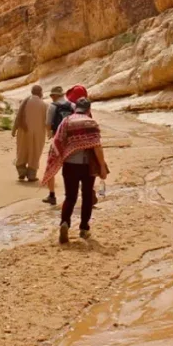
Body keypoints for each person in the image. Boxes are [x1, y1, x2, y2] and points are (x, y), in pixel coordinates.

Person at [43, 97, 109, 243]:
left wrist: (57, 160)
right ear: (89, 109)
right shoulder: (91, 122)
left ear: (75, 108)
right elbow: (97, 146)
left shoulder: (66, 121)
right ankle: (84, 229)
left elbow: (58, 141)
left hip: (70, 165)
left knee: (70, 197)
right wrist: (102, 166)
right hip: (87, 166)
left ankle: (64, 223)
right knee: (86, 197)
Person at [43, 86, 74, 205]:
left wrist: (49, 134)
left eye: (51, 96)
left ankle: (52, 195)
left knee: (51, 166)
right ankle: (69, 195)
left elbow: (48, 124)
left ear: (54, 96)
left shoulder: (52, 106)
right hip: (70, 141)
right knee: (70, 168)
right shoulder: (72, 105)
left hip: (57, 141)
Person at [13, 85, 49, 182]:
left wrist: (14, 129)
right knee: (35, 152)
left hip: (23, 131)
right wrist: (50, 132)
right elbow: (47, 121)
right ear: (40, 92)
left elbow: (18, 117)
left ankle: (21, 172)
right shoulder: (44, 105)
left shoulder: (24, 102)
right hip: (38, 133)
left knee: (22, 150)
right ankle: (31, 175)